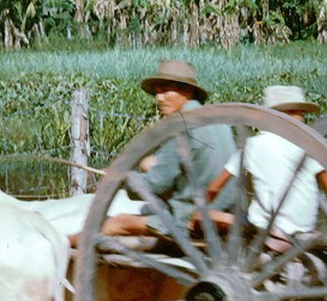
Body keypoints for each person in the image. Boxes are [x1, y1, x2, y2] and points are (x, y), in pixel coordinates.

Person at [96, 59, 237, 238]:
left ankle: (65, 244)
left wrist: (119, 178)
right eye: (157, 93)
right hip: (225, 210)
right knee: (148, 162)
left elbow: (157, 185)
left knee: (116, 223)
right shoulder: (218, 121)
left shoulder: (179, 126)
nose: (159, 99)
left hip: (193, 219)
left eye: (165, 91)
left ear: (187, 91)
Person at [203, 85, 327, 241]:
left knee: (202, 216)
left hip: (265, 228)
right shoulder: (310, 145)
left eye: (300, 113)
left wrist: (200, 210)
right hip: (305, 228)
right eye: (297, 113)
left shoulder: (253, 145)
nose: (300, 118)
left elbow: (214, 188)